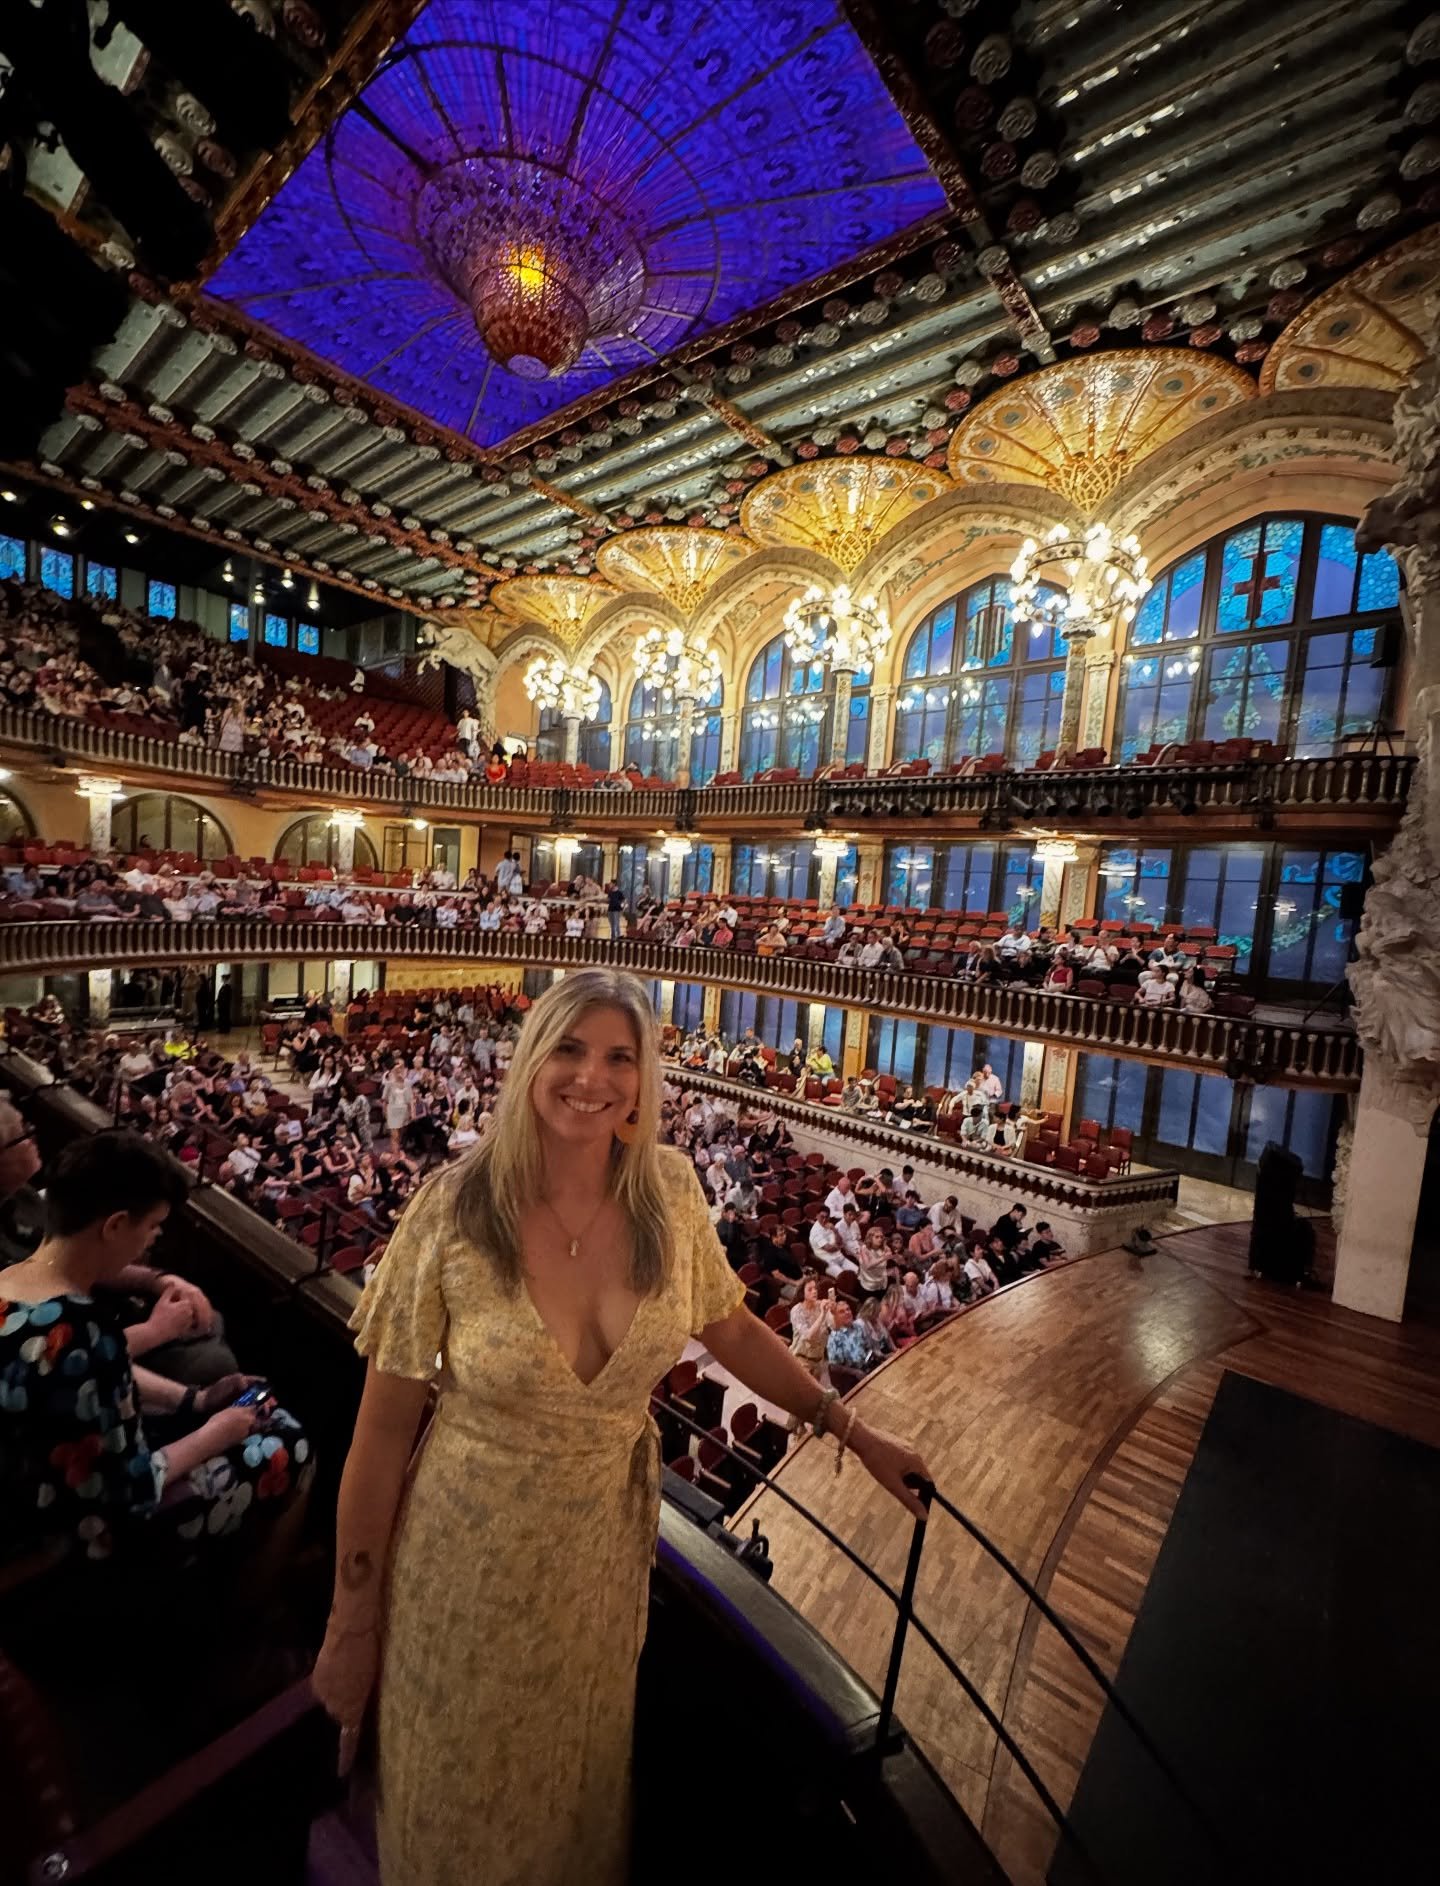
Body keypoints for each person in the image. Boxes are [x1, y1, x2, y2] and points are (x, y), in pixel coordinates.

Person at [312, 969, 928, 1886]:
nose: (590, 1077)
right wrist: (352, 1624)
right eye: (568, 1047)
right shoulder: (453, 1207)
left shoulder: (669, 1193)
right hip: (462, 1566)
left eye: (618, 1056)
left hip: (599, 1571)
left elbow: (730, 1325)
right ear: (529, 1059)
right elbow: (379, 1437)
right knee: (457, 1801)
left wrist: (854, 1431)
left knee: (574, 1794)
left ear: (643, 1078)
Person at [0, 1131, 309, 1560]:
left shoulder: (11, 1284)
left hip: (25, 1484)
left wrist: (196, 1402)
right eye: (151, 1226)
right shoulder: (86, 1333)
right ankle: (245, 1610)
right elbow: (135, 1487)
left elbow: (82, 1387)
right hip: (61, 1529)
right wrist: (215, 1432)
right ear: (115, 1225)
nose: (153, 1239)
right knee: (288, 1442)